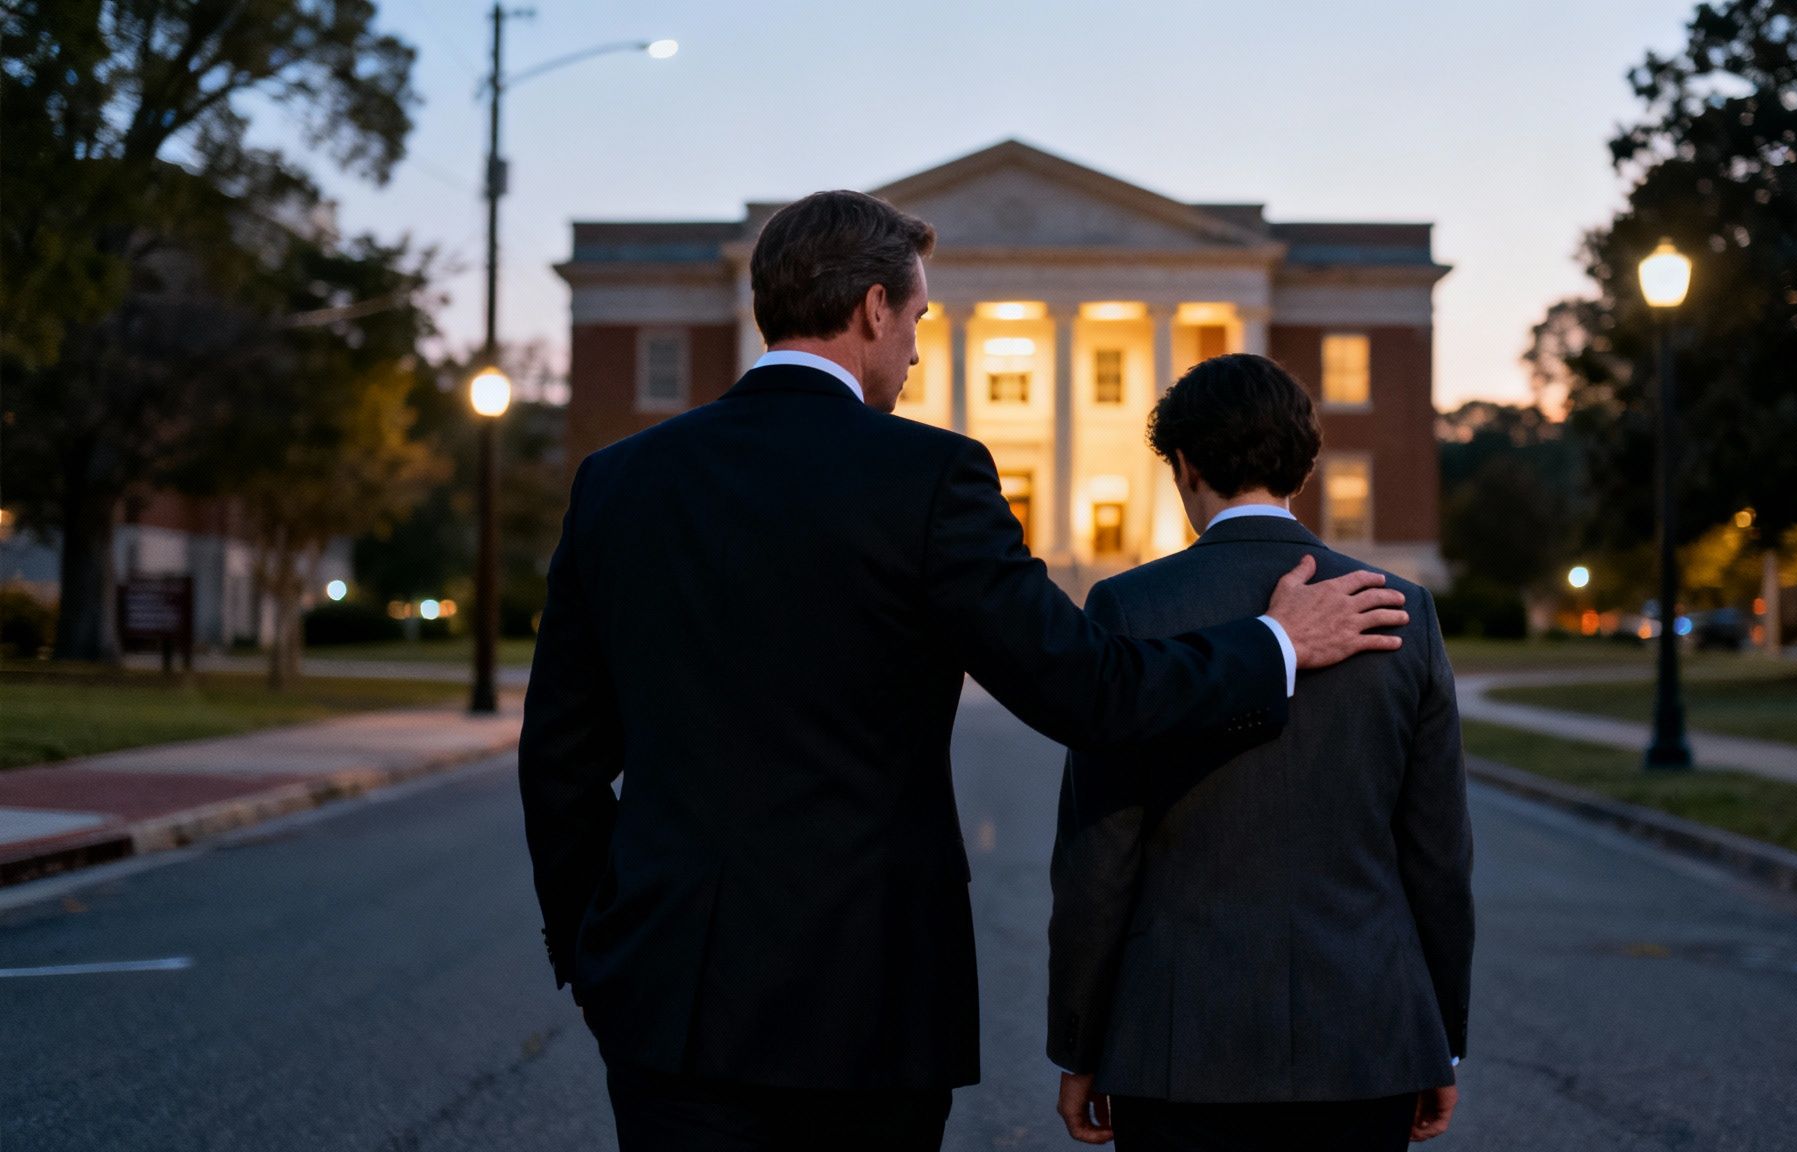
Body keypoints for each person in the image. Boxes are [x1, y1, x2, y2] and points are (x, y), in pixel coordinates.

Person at [518, 190, 1414, 1151]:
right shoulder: (930, 477)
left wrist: (595, 949)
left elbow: (560, 757)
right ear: (872, 309)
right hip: (868, 1002)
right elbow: (1086, 689)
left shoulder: (620, 482)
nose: (913, 352)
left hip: (666, 993)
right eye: (915, 321)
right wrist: (1275, 644)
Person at [1046, 353, 1473, 1151]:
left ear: (1185, 465)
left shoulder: (1127, 607)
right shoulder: (1402, 609)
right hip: (1370, 1039)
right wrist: (1438, 1037)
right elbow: (1439, 855)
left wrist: (1078, 1044)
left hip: (1176, 1047)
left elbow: (1098, 857)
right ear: (1304, 466)